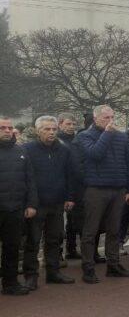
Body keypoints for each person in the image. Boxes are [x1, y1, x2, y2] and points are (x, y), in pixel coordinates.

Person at [73, 105, 129, 283]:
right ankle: (88, 268)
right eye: (106, 117)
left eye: (112, 117)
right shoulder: (84, 136)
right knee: (90, 231)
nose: (110, 121)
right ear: (95, 118)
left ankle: (113, 265)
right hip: (96, 189)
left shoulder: (122, 137)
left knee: (114, 230)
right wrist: (107, 134)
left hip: (118, 189)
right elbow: (95, 154)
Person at [23, 116, 77, 288]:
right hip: (36, 204)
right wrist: (29, 202)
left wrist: (69, 197)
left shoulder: (64, 150)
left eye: (54, 129)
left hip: (57, 203)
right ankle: (31, 276)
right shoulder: (27, 150)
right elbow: (25, 178)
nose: (52, 132)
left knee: (54, 239)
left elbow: (69, 175)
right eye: (47, 129)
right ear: (38, 131)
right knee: (33, 241)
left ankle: (53, 272)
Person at [0, 116, 37, 295]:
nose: (7, 131)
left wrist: (31, 204)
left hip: (15, 209)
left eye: (9, 128)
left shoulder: (20, 151)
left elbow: (30, 180)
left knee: (12, 248)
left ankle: (10, 283)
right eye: (2, 128)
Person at [56, 113, 82, 260]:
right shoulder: (58, 142)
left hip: (76, 185)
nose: (71, 127)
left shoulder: (77, 140)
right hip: (61, 185)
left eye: (73, 124)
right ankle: (56, 254)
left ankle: (71, 249)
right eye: (68, 124)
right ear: (60, 124)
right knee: (58, 224)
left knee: (73, 222)